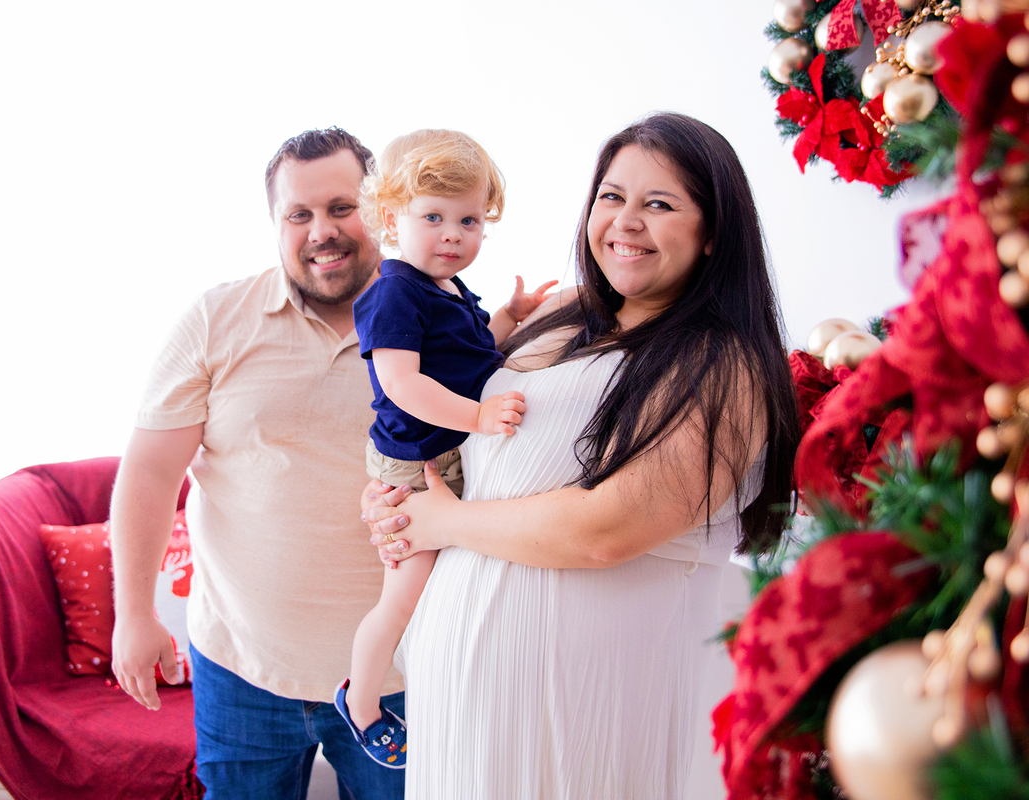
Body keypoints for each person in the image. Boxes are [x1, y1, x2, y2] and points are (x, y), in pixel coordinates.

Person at [363, 113, 801, 799]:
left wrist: (444, 523)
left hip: (581, 718)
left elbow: (609, 530)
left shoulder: (722, 364)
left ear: (713, 232)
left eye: (659, 204)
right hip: (461, 704)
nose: (625, 222)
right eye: (611, 196)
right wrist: (392, 499)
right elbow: (446, 431)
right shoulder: (557, 314)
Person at [109, 128, 407, 800]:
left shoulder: (442, 322)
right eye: (298, 215)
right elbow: (152, 474)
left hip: (400, 676)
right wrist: (133, 613)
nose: (321, 231)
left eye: (341, 206)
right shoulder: (217, 320)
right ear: (276, 224)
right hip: (242, 668)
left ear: (383, 209)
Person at [334, 129, 556, 768]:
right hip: (415, 461)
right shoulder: (394, 290)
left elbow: (465, 353)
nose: (453, 234)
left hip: (446, 449)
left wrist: (509, 318)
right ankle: (363, 703)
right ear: (391, 218)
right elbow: (404, 385)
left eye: (469, 220)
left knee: (439, 585)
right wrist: (480, 417)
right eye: (433, 217)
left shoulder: (448, 289)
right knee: (403, 594)